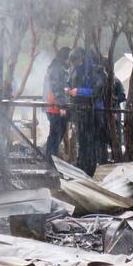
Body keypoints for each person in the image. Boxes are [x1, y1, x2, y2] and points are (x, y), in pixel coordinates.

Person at [67, 48, 105, 176]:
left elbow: (96, 92)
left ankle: (91, 168)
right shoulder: (75, 71)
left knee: (92, 141)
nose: (74, 64)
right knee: (82, 140)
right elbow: (71, 83)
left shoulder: (94, 71)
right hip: (81, 110)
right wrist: (69, 89)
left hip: (94, 111)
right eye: (72, 62)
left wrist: (79, 91)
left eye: (75, 61)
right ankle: (81, 165)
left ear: (81, 59)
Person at [43, 47, 71, 162]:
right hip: (55, 107)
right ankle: (50, 160)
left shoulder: (57, 67)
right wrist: (62, 106)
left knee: (57, 134)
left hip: (56, 106)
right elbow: (56, 89)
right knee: (55, 134)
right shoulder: (56, 69)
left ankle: (51, 158)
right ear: (65, 58)